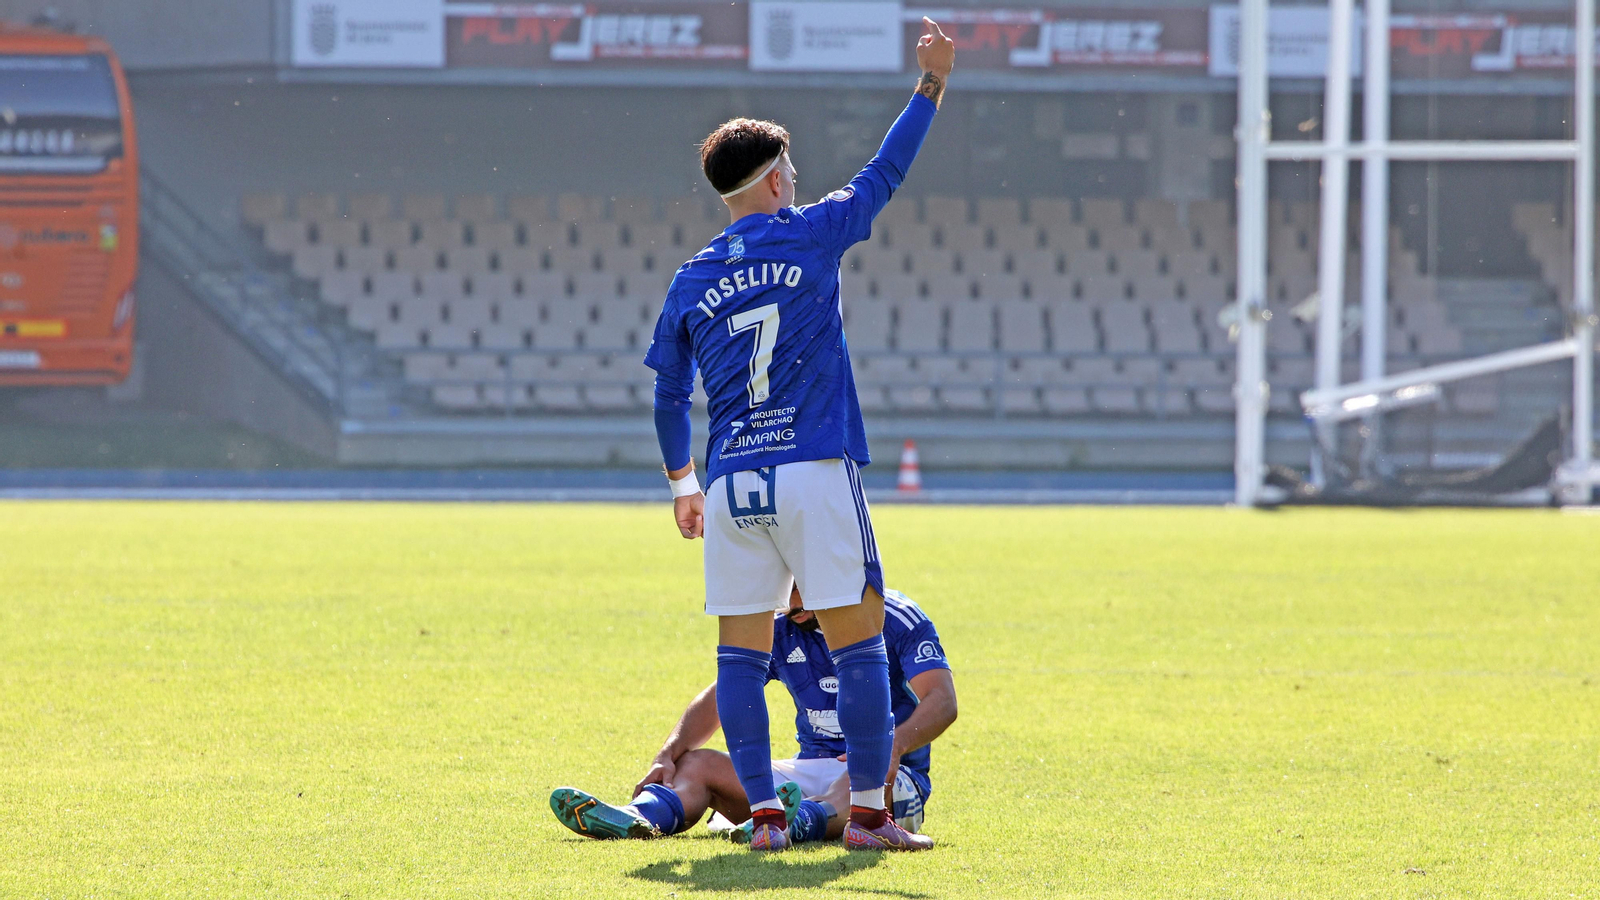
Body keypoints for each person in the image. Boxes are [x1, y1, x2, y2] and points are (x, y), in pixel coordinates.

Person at [640, 16, 955, 853]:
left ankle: (768, 826)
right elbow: (885, 174)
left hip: (733, 479)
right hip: (812, 467)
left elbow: (670, 392)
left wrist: (682, 485)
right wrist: (931, 83)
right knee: (857, 649)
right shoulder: (810, 231)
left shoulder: (693, 276)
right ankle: (868, 819)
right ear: (778, 179)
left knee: (739, 659)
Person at [550, 588, 956, 846]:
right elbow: (720, 697)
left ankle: (798, 822)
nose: (789, 601)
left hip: (890, 779)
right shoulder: (780, 626)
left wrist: (894, 744)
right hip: (808, 769)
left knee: (863, 772)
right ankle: (638, 817)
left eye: (800, 587)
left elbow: (942, 699)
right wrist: (668, 753)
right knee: (698, 763)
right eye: (783, 585)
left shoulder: (895, 617)